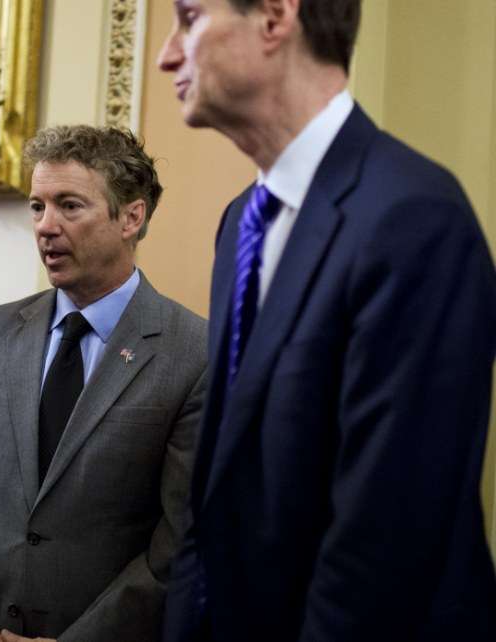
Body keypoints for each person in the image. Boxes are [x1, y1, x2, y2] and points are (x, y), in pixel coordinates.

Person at [156, 1, 496, 640]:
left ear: (277, 16)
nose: (167, 54)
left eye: (191, 17)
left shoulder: (416, 218)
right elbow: (220, 485)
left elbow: (386, 540)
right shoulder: (242, 223)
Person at [0, 125, 207, 642]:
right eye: (37, 207)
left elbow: (180, 540)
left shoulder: (193, 351)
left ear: (132, 216)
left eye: (69, 206)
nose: (46, 227)